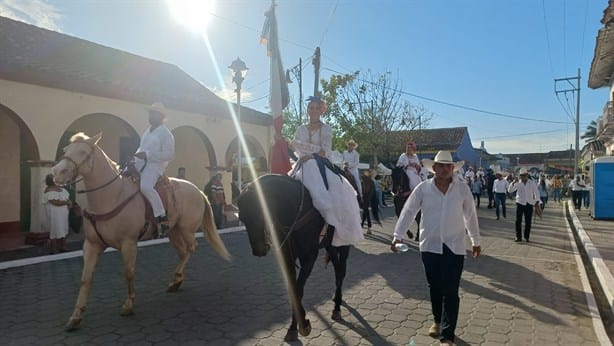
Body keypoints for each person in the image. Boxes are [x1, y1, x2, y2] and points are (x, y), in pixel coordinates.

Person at [391, 151, 480, 345]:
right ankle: (438, 321)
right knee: (435, 287)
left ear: (452, 169)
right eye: (441, 165)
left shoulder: (462, 189)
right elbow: (408, 211)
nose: (445, 169)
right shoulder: (423, 189)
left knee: (451, 290)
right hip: (429, 246)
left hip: (454, 246)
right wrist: (398, 236)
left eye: (449, 166)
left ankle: (447, 335)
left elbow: (470, 216)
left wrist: (475, 240)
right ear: (434, 168)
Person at [290, 96, 363, 247]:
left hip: (320, 162)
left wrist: (308, 151)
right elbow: (295, 146)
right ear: (307, 110)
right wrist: (302, 149)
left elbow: (325, 150)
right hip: (302, 162)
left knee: (341, 187)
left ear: (321, 110)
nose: (313, 110)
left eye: (317, 108)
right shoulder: (301, 128)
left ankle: (329, 219)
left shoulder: (326, 128)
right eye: (311, 108)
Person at [134, 102, 175, 236]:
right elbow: (141, 148)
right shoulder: (147, 131)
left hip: (155, 166)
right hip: (140, 162)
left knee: (145, 186)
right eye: (150, 113)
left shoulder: (166, 134)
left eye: (153, 114)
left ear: (161, 116)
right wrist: (135, 158)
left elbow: (169, 154)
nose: (150, 116)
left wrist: (148, 155)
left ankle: (161, 216)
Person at [508, 168, 540, 242]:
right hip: (520, 203)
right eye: (521, 176)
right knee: (518, 221)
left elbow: (536, 192)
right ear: (520, 176)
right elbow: (510, 190)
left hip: (529, 203)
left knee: (528, 221)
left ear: (527, 175)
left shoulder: (532, 183)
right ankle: (518, 237)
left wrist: (537, 201)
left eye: (524, 175)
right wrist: (513, 183)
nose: (523, 177)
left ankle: (526, 236)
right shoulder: (517, 183)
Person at [43, 173, 71, 254]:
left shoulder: (62, 189)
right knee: (55, 230)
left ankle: (63, 246)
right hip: (55, 214)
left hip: (63, 213)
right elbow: (55, 202)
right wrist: (66, 203)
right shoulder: (48, 190)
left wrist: (69, 202)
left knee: (64, 229)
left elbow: (67, 199)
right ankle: (53, 248)